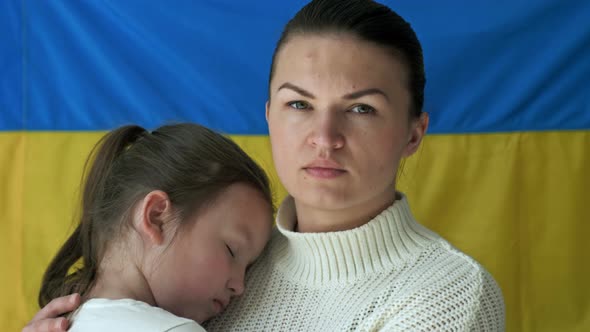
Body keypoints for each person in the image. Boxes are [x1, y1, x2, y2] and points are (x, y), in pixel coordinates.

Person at [24, 0, 506, 331]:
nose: (325, 138)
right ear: (268, 115)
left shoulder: (447, 295)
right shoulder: (214, 259)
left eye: (362, 109)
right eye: (299, 105)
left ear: (413, 134)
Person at [32, 123, 274, 331]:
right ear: (157, 216)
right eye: (232, 250)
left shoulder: (69, 322)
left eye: (248, 268)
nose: (240, 286)